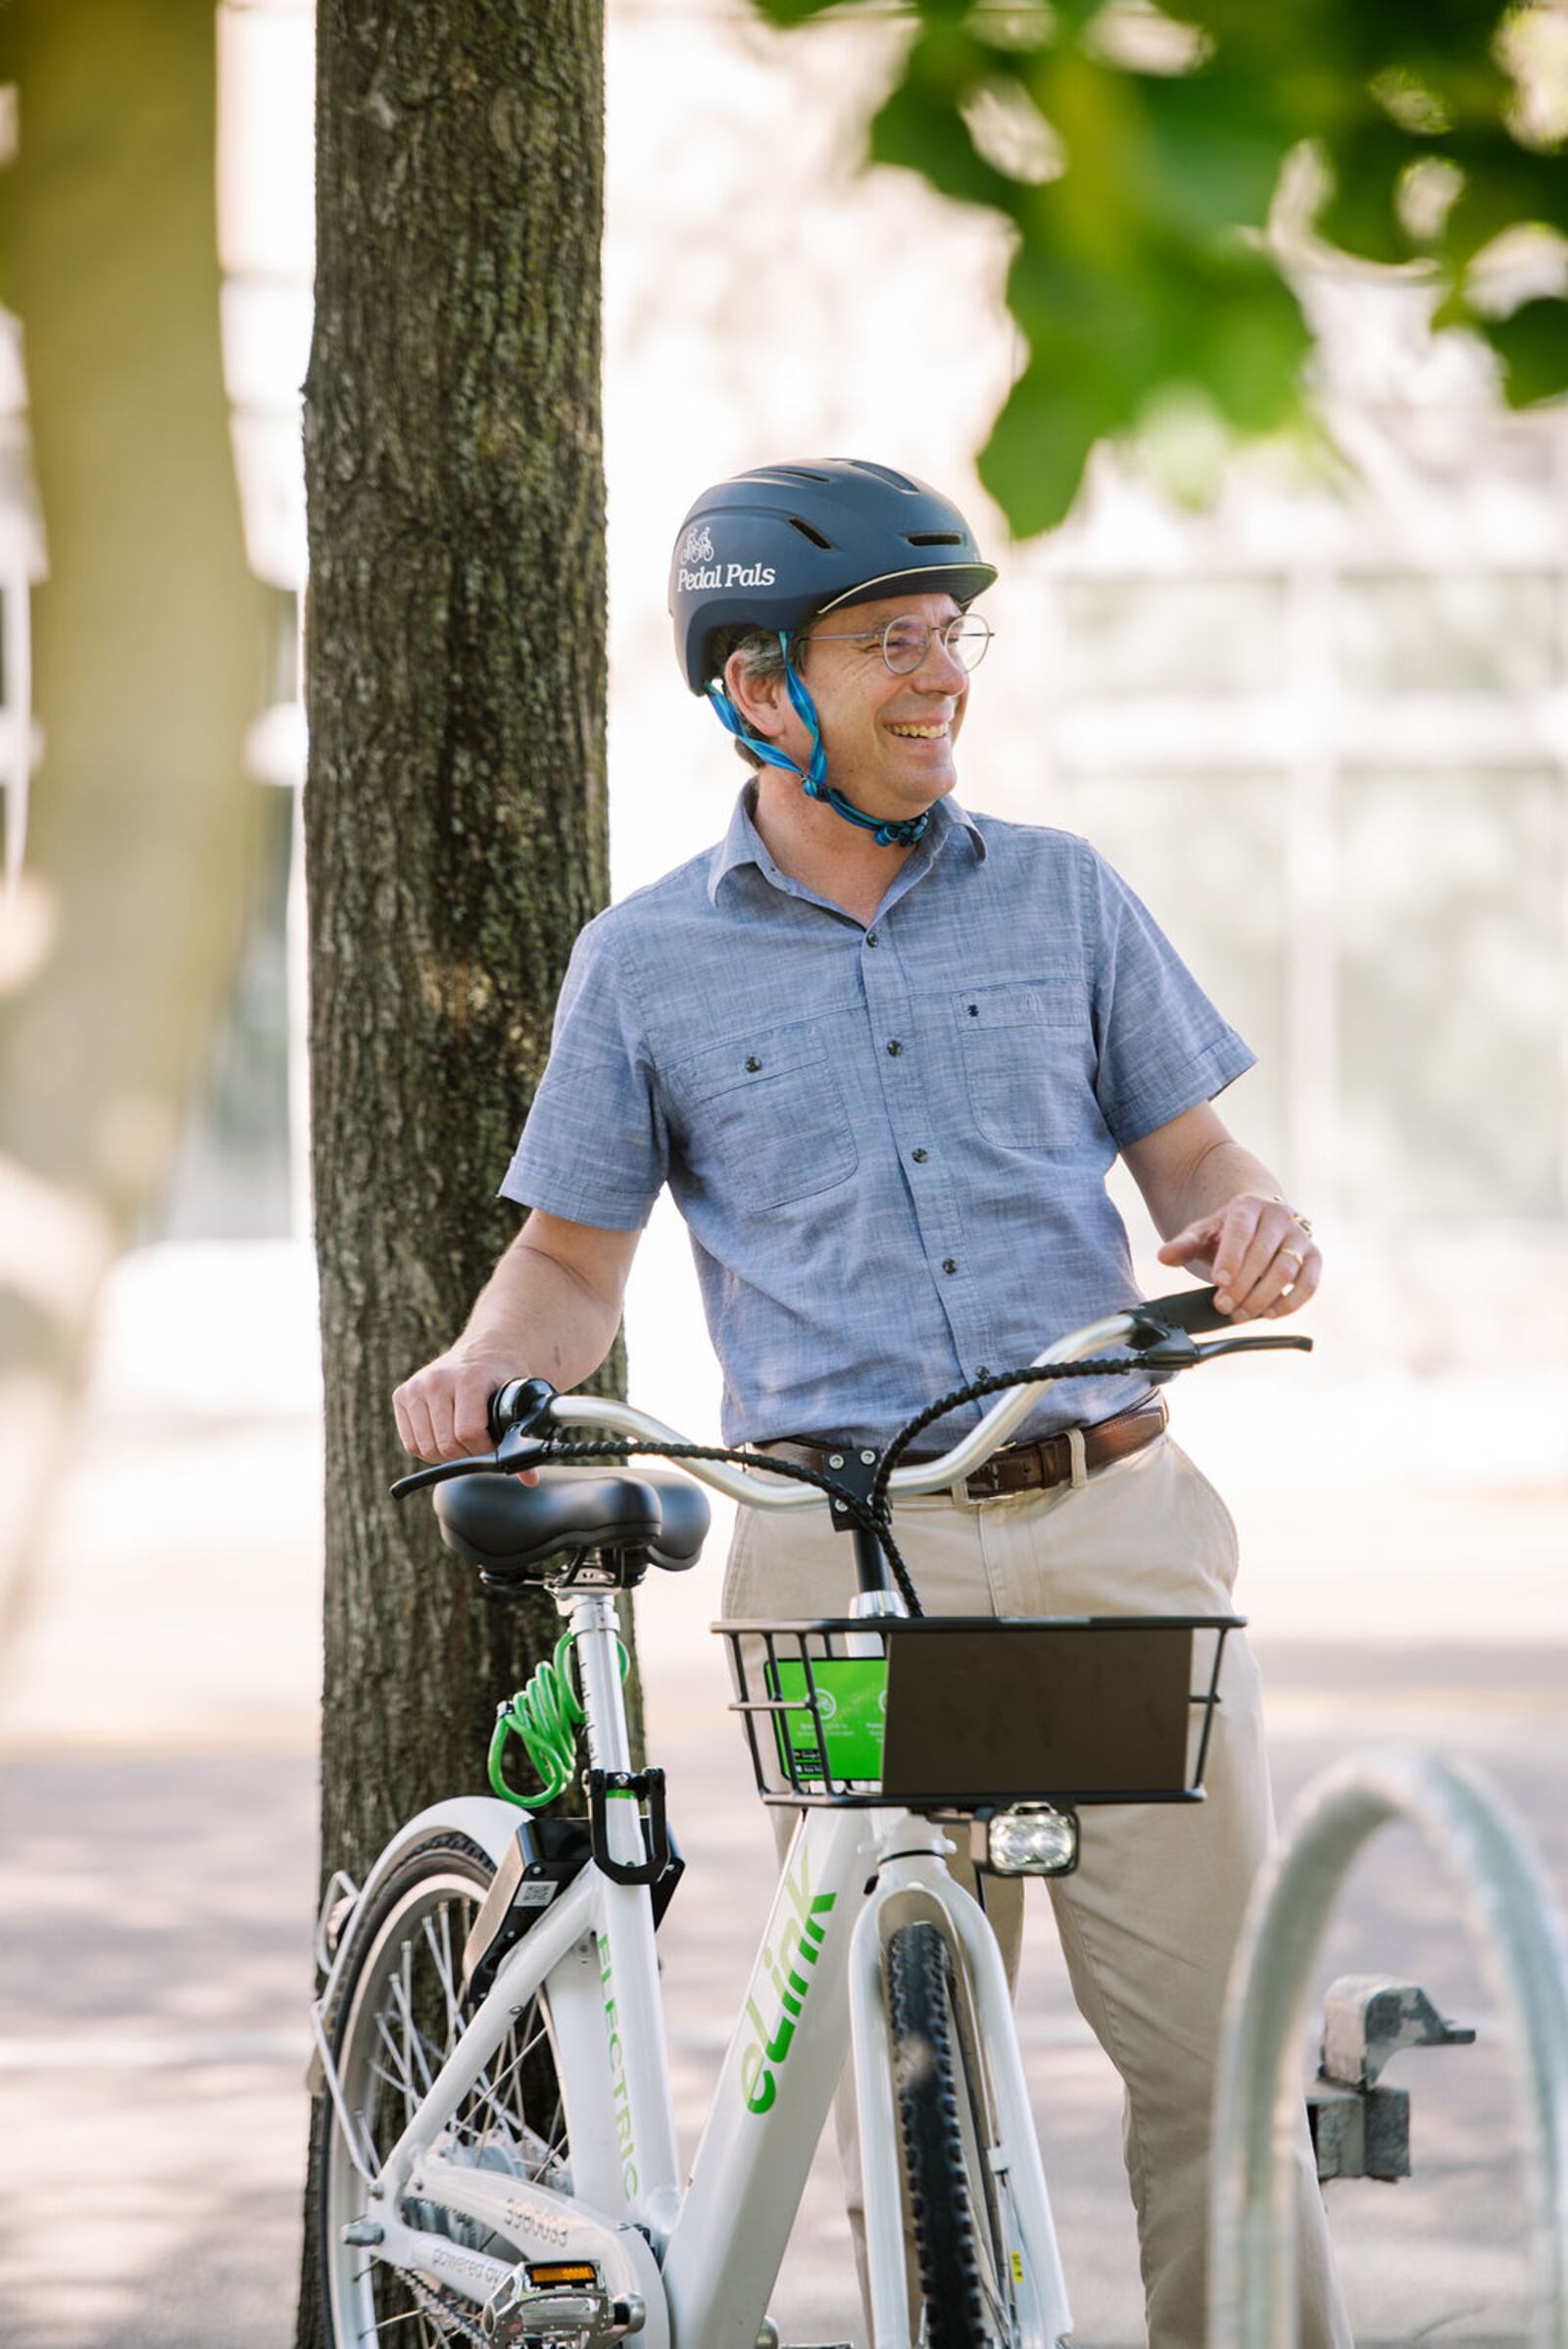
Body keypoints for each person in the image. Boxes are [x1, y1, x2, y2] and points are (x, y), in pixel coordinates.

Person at [393, 459, 1348, 2347]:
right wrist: (484, 1356)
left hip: (1116, 1536)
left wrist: (1249, 1222)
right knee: (911, 2098)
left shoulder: (1066, 894)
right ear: (757, 689)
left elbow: (1200, 1164)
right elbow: (575, 1267)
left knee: (1221, 2075)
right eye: (887, 643)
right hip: (838, 1571)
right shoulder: (643, 961)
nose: (941, 677)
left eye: (950, 634)